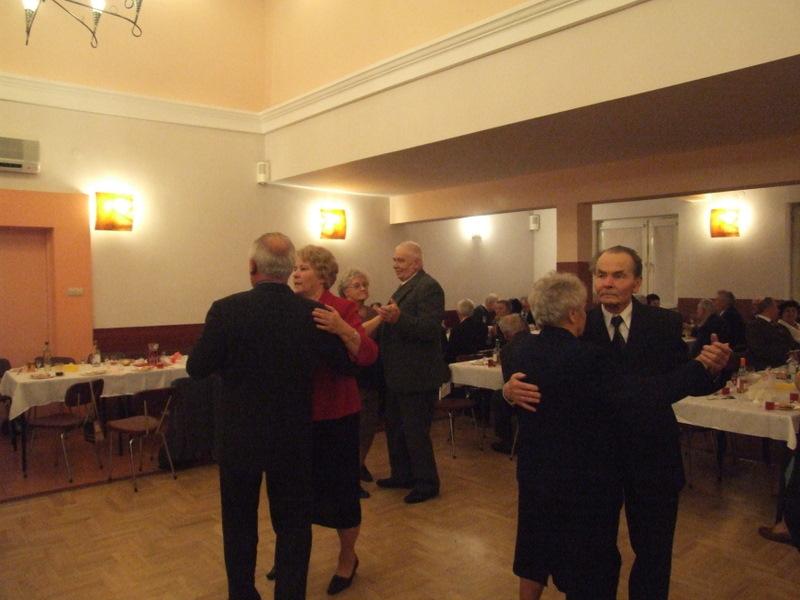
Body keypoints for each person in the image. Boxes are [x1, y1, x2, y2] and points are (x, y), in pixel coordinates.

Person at [505, 246, 731, 600]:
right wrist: (508, 390)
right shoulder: (578, 321)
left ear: (637, 282)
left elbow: (682, 381)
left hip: (652, 455)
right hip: (593, 467)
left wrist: (714, 368)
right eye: (601, 275)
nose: (607, 283)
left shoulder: (664, 323)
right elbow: (540, 369)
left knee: (654, 553)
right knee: (594, 556)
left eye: (618, 275)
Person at [187, 232, 354, 600]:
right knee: (294, 525)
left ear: (253, 267)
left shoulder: (226, 310)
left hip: (239, 436)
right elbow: (344, 365)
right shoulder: (311, 315)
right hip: (292, 436)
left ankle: (242, 593)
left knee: (239, 524)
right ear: (289, 269)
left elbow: (196, 368)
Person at [285, 246, 378, 596]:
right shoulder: (288, 307)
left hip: (337, 413)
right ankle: (290, 555)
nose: (296, 273)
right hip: (297, 416)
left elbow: (367, 355)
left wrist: (341, 328)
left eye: (303, 268)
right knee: (294, 494)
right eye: (294, 268)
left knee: (340, 493)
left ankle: (347, 558)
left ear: (322, 275)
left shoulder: (342, 308)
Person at [376, 241, 449, 504]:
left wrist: (398, 319)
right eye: (394, 260)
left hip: (417, 376)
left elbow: (430, 329)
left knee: (416, 433)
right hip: (398, 374)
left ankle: (427, 483)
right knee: (396, 429)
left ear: (416, 263)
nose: (395, 265)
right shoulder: (405, 287)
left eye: (401, 261)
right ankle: (402, 474)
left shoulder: (429, 287)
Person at [337, 268, 384, 497]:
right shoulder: (343, 312)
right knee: (353, 430)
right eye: (357, 285)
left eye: (365, 284)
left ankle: (360, 463)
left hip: (372, 374)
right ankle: (350, 477)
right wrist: (380, 318)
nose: (363, 288)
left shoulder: (371, 311)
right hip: (353, 376)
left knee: (368, 426)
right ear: (345, 291)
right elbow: (357, 334)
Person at [491, 314, 531, 454]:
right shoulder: (538, 342)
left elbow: (508, 381)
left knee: (498, 396)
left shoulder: (508, 350)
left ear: (506, 334)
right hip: (543, 392)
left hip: (522, 396)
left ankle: (506, 440)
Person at [746, 296, 799, 370]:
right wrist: (786, 354)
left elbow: (790, 342)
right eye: (776, 307)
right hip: (766, 367)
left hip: (781, 364)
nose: (778, 311)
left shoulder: (776, 325)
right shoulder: (754, 325)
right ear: (770, 308)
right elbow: (759, 350)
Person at [445, 298, 488, 363]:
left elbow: (451, 351)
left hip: (461, 362)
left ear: (458, 312)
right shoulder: (483, 326)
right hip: (479, 360)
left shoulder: (457, 329)